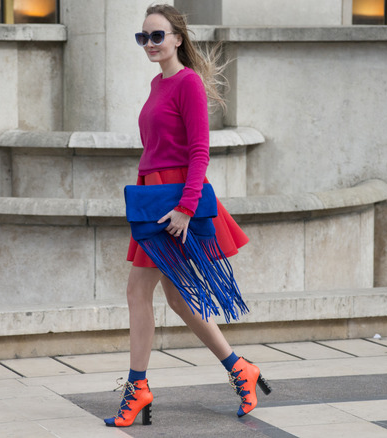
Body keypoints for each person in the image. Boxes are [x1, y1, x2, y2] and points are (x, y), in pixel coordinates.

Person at [104, 4, 271, 428]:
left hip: (174, 204)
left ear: (178, 37)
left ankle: (138, 388)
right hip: (155, 199)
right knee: (176, 298)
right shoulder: (157, 85)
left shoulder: (188, 84)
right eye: (143, 37)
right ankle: (240, 369)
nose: (149, 44)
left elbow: (200, 152)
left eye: (157, 36)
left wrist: (185, 208)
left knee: (137, 294)